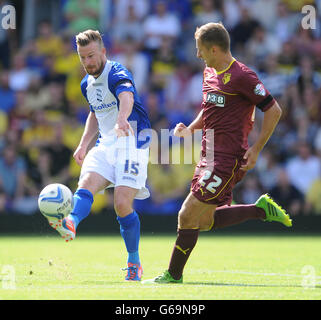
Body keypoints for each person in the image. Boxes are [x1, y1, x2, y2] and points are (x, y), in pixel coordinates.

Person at [143, 22, 292, 284]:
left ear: (214, 49)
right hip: (207, 154)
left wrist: (256, 150)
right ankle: (259, 210)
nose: (197, 55)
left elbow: (274, 110)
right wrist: (190, 129)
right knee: (203, 221)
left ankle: (173, 275)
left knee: (186, 214)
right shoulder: (209, 72)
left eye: (200, 50)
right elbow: (209, 107)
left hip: (227, 158)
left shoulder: (243, 76)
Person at [44, 30, 151, 281]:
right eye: (83, 58)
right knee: (85, 184)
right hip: (106, 143)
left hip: (132, 140)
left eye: (91, 56)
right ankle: (70, 222)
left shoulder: (117, 72)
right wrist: (83, 145)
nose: (88, 62)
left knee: (122, 204)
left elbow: (127, 96)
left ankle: (134, 261)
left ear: (103, 52)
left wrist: (123, 117)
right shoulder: (86, 84)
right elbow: (95, 113)